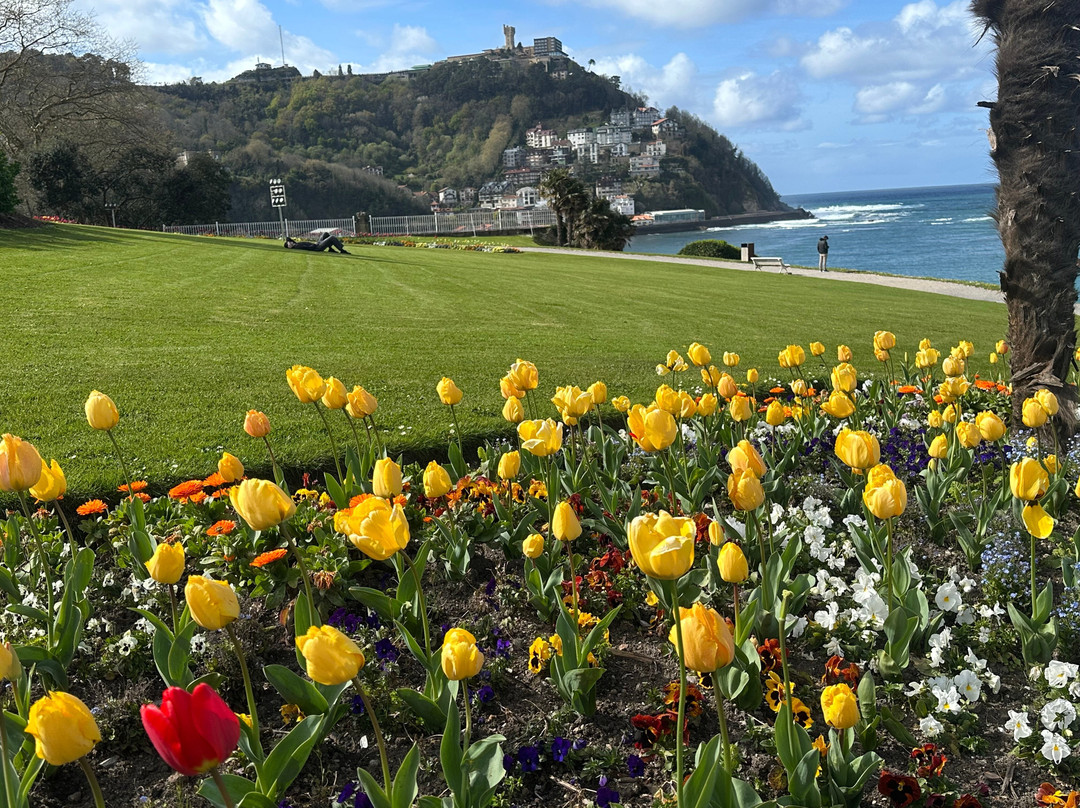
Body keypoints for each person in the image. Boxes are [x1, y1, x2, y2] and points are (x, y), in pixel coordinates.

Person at [283, 233, 350, 254]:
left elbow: (287, 238)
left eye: (289, 242)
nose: (290, 243)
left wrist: (289, 241)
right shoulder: (297, 246)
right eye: (289, 244)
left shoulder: (295, 243)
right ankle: (342, 250)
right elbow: (308, 248)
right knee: (332, 237)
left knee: (325, 234)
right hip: (317, 247)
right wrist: (314, 244)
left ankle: (330, 249)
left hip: (316, 244)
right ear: (289, 247)